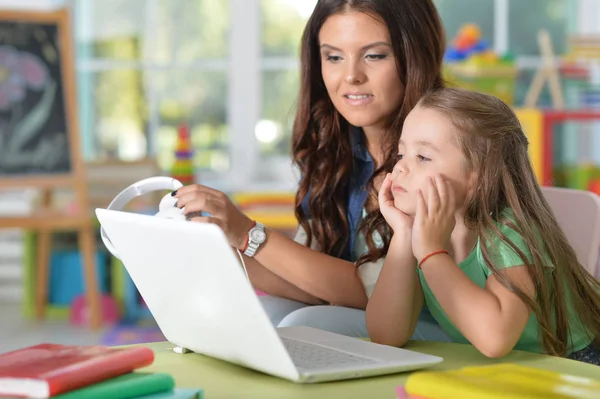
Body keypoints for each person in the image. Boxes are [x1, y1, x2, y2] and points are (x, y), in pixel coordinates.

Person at [172, 0, 450, 339]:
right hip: (362, 314)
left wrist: (249, 233)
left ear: (416, 54)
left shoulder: (439, 153)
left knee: (299, 327)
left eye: (375, 55)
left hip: (427, 326)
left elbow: (372, 292)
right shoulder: (336, 150)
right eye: (333, 57)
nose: (351, 76)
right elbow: (315, 287)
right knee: (263, 314)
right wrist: (225, 246)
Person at [367, 87, 600, 364]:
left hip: (571, 366)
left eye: (423, 157)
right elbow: (386, 334)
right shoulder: (421, 231)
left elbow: (495, 339)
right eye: (401, 154)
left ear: (478, 176)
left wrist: (430, 253)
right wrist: (404, 235)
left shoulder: (508, 232)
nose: (401, 169)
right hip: (501, 369)